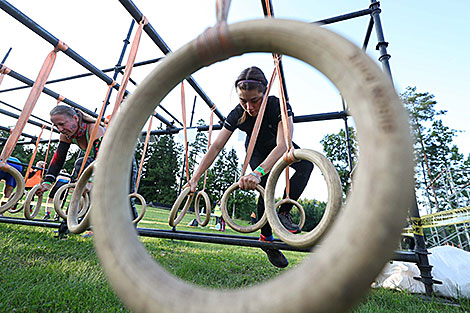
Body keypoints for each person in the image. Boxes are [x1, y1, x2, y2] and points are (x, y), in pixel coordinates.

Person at [188, 66, 313, 268]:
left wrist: (257, 172)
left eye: (254, 100)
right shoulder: (237, 113)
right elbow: (217, 145)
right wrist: (194, 177)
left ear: (265, 93)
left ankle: (283, 213)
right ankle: (266, 239)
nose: (249, 106)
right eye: (243, 100)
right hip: (255, 150)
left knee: (306, 165)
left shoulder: (278, 105)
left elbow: (283, 145)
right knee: (265, 186)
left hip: (278, 144)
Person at [35, 105, 139, 222]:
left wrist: (90, 181)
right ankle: (67, 227)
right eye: (56, 125)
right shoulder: (66, 135)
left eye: (62, 124)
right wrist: (48, 182)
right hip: (99, 161)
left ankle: (131, 230)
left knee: (125, 198)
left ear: (75, 118)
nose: (60, 129)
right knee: (79, 187)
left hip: (123, 162)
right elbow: (58, 160)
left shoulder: (95, 129)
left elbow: (102, 159)